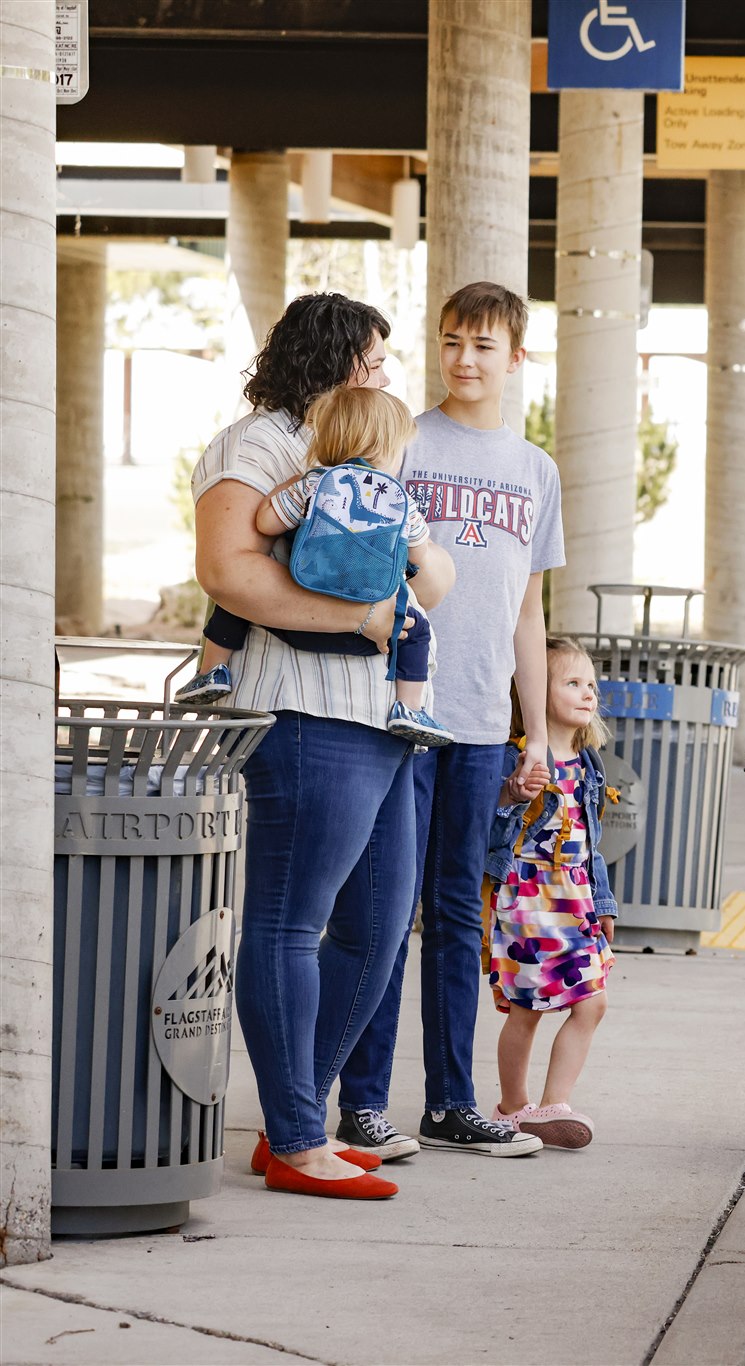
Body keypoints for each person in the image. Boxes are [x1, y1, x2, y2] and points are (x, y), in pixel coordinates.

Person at [191, 292, 454, 1199]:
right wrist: (370, 614)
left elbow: (437, 573)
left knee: (379, 934)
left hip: (383, 718)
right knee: (289, 925)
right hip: (300, 713)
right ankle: (300, 1140)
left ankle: (292, 1112)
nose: (387, 375)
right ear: (338, 357)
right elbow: (230, 569)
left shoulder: (376, 450)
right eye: (376, 360)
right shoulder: (257, 445)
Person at [333, 282, 564, 1160]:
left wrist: (535, 732)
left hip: (476, 719)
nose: (464, 359)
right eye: (452, 341)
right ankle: (363, 1104)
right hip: (398, 713)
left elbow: (528, 613)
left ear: (517, 357)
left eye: (484, 345)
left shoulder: (535, 470)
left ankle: (451, 1102)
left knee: (460, 918)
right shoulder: (404, 440)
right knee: (383, 912)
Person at [186, 385, 453, 747]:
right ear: (386, 450)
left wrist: (292, 487)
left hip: (297, 619)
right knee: (416, 630)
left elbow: (266, 523)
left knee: (233, 605)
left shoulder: (314, 484)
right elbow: (419, 553)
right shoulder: (399, 500)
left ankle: (212, 671)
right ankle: (409, 709)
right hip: (367, 637)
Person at [484, 637, 618, 1149]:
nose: (587, 694)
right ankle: (513, 1106)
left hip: (575, 898)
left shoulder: (588, 762)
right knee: (529, 1008)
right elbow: (489, 828)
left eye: (590, 685)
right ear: (534, 691)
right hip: (527, 898)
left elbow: (591, 843)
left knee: (592, 1004)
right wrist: (510, 794)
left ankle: (553, 1103)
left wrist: (602, 905)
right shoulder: (516, 755)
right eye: (572, 683)